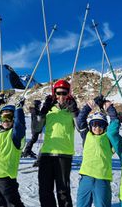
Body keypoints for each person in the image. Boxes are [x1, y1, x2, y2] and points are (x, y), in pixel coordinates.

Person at [37, 79, 79, 207]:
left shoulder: (71, 110)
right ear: (54, 93)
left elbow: (79, 127)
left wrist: (75, 112)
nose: (61, 96)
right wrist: (43, 111)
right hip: (46, 154)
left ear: (69, 94)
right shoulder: (50, 109)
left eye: (64, 93)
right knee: (45, 190)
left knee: (63, 191)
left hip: (63, 155)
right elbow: (37, 128)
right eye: (58, 93)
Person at [0, 95, 26, 207]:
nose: (6, 121)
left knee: (13, 203)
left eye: (9, 117)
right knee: (1, 203)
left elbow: (19, 126)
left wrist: (19, 109)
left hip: (6, 178)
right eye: (3, 117)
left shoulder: (15, 136)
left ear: (14, 119)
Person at [76, 96, 113, 207]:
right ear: (90, 125)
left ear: (105, 126)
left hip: (102, 179)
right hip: (86, 177)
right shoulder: (86, 135)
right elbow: (80, 120)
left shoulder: (109, 138)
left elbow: (115, 123)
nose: (97, 127)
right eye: (94, 124)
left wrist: (110, 109)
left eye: (101, 124)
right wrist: (90, 105)